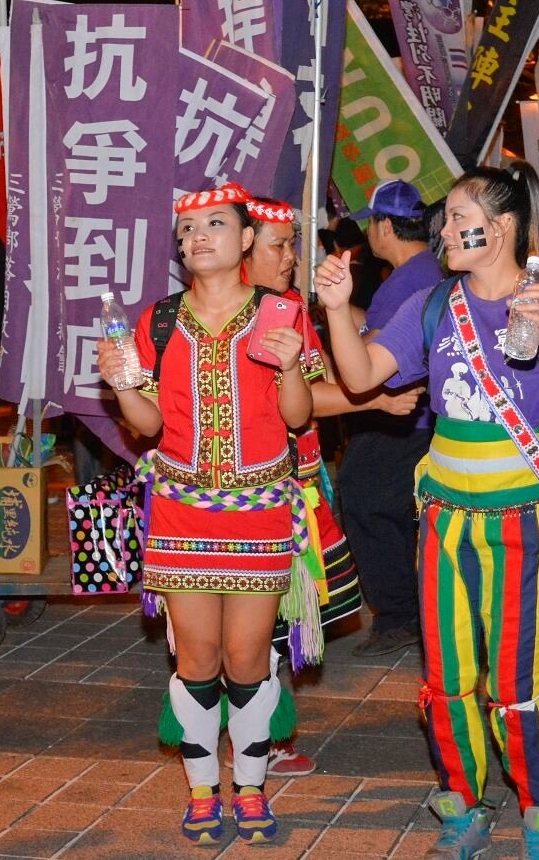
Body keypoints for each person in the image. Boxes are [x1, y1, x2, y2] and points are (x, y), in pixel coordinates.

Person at [315, 162, 539, 859]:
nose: (443, 230)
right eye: (445, 220)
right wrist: (336, 308)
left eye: (458, 218)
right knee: (446, 675)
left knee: (515, 682)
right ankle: (464, 803)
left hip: (525, 517)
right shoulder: (433, 304)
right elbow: (361, 376)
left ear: (500, 227)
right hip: (445, 515)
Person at [98, 184, 319, 846]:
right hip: (181, 511)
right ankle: (201, 792)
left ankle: (250, 788)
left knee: (247, 659)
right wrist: (122, 385)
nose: (197, 237)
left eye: (214, 224)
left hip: (259, 511)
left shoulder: (282, 311)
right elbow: (147, 426)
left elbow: (299, 417)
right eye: (188, 229)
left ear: (247, 238)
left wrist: (289, 366)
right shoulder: (159, 320)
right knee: (196, 658)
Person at [242, 194, 380, 776]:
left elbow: (310, 393)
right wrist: (373, 399)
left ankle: (262, 738)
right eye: (278, 246)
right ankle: (251, 743)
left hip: (297, 482)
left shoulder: (290, 307)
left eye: (292, 245)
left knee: (275, 623)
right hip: (248, 492)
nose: (290, 258)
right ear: (241, 247)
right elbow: (294, 403)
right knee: (253, 625)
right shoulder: (227, 315)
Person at [337, 181, 444, 657]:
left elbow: (371, 353)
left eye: (371, 224)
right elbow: (377, 326)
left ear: (384, 226)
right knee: (397, 510)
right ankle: (412, 608)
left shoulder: (403, 280)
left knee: (365, 501)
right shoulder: (423, 270)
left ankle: (398, 615)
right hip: (420, 417)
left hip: (400, 414)